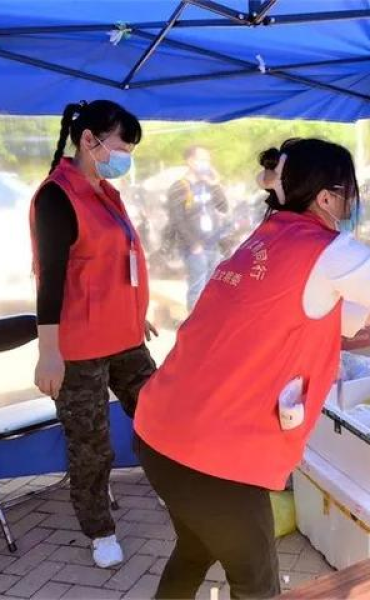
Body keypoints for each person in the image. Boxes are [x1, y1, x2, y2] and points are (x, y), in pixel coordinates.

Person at [134, 138, 370, 599]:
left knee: (193, 550)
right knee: (256, 581)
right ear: (327, 197)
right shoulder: (322, 247)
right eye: (350, 189)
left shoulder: (268, 238)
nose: (353, 200)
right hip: (211, 456)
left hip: (160, 431)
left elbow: (328, 307)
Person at [30, 100, 157, 569]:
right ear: (90, 140)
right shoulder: (57, 196)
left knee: (158, 413)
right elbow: (53, 278)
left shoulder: (105, 191)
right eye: (123, 143)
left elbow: (110, 265)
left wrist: (133, 313)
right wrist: (49, 354)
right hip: (78, 348)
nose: (126, 154)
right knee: (91, 445)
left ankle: (173, 489)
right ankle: (100, 529)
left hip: (124, 337)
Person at [167, 145, 228, 311]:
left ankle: (208, 322)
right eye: (202, 159)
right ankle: (194, 325)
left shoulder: (208, 184)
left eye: (208, 160)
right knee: (198, 287)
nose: (206, 163)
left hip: (212, 244)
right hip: (194, 247)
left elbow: (223, 207)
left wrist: (215, 185)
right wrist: (194, 244)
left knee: (213, 287)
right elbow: (176, 219)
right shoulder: (179, 187)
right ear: (190, 161)